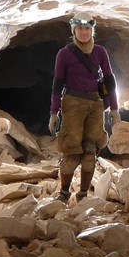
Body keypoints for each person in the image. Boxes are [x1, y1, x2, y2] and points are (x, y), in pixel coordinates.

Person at [49, 15, 120, 203]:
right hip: (73, 103)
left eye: (87, 29)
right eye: (80, 29)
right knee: (72, 152)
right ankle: (64, 193)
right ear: (74, 31)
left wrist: (114, 109)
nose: (84, 33)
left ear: (92, 31)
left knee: (90, 151)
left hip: (95, 104)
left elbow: (109, 81)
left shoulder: (100, 52)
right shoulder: (64, 54)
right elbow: (57, 84)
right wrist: (53, 112)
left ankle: (83, 195)